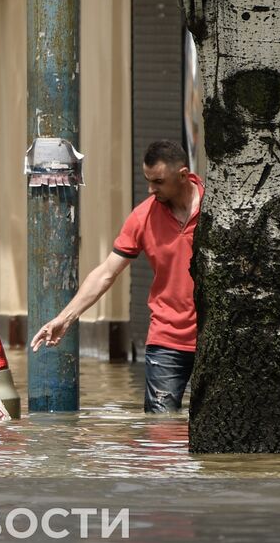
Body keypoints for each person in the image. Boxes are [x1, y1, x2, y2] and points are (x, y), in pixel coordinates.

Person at [29, 140, 202, 412]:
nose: (150, 189)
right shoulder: (142, 217)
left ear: (182, 176)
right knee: (160, 428)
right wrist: (65, 318)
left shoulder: (218, 209)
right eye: (147, 180)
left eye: (158, 182)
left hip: (216, 334)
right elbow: (106, 273)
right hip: (166, 338)